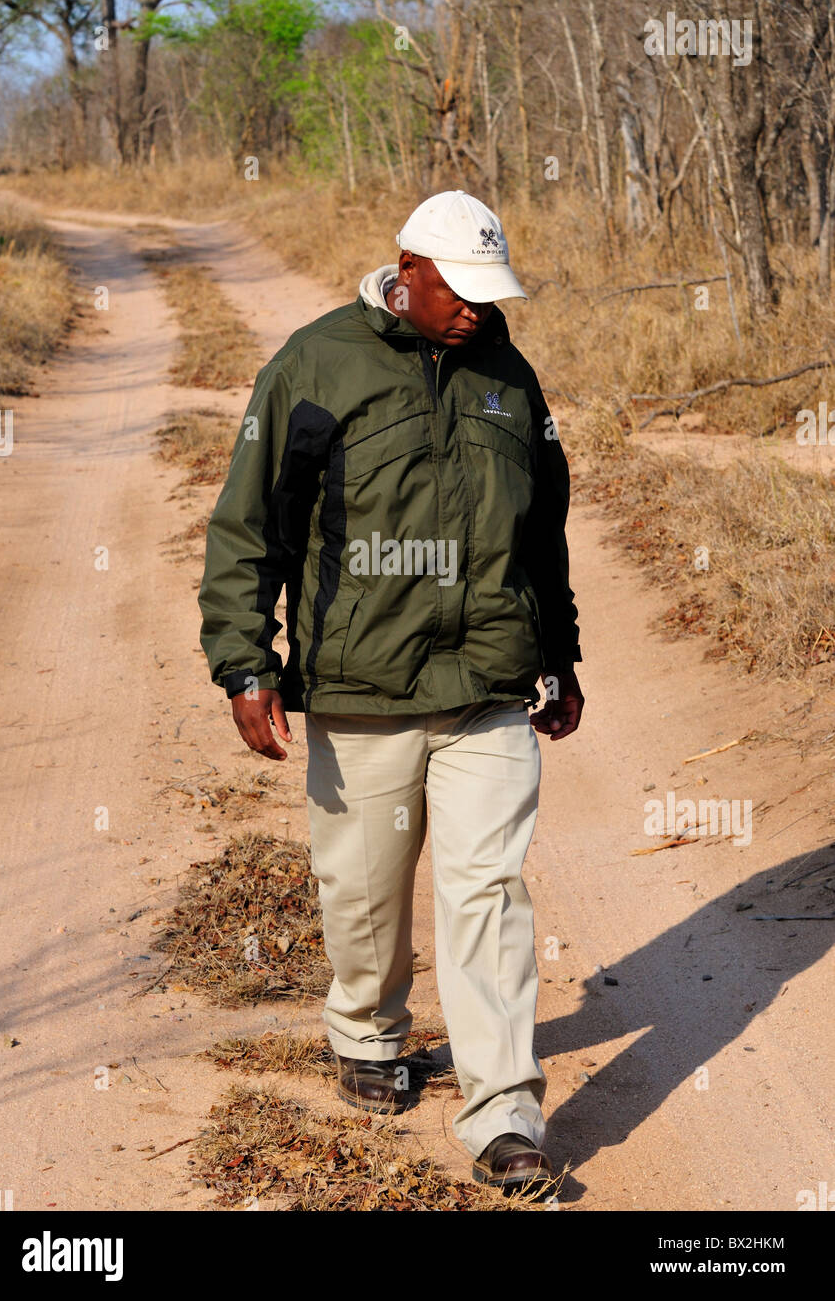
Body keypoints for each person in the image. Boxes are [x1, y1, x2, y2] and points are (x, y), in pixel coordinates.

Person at [198, 189, 583, 1195]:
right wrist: (245, 660)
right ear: (406, 269)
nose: (476, 311)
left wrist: (558, 655)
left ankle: (503, 1115)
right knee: (364, 894)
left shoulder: (508, 374)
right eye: (459, 290)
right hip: (361, 688)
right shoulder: (313, 365)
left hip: (488, 689)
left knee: (486, 893)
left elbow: (540, 531)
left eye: (490, 293)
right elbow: (250, 526)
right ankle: (368, 1033)